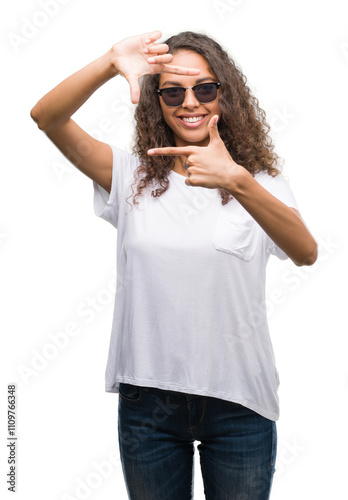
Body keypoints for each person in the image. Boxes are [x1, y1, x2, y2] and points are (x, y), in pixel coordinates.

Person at [30, 30, 317, 500]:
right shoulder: (130, 178)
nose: (191, 103)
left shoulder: (258, 182)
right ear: (155, 100)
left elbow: (306, 252)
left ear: (225, 94)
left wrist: (238, 182)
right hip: (149, 401)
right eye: (173, 91)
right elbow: (47, 116)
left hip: (240, 402)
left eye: (206, 88)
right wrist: (109, 62)